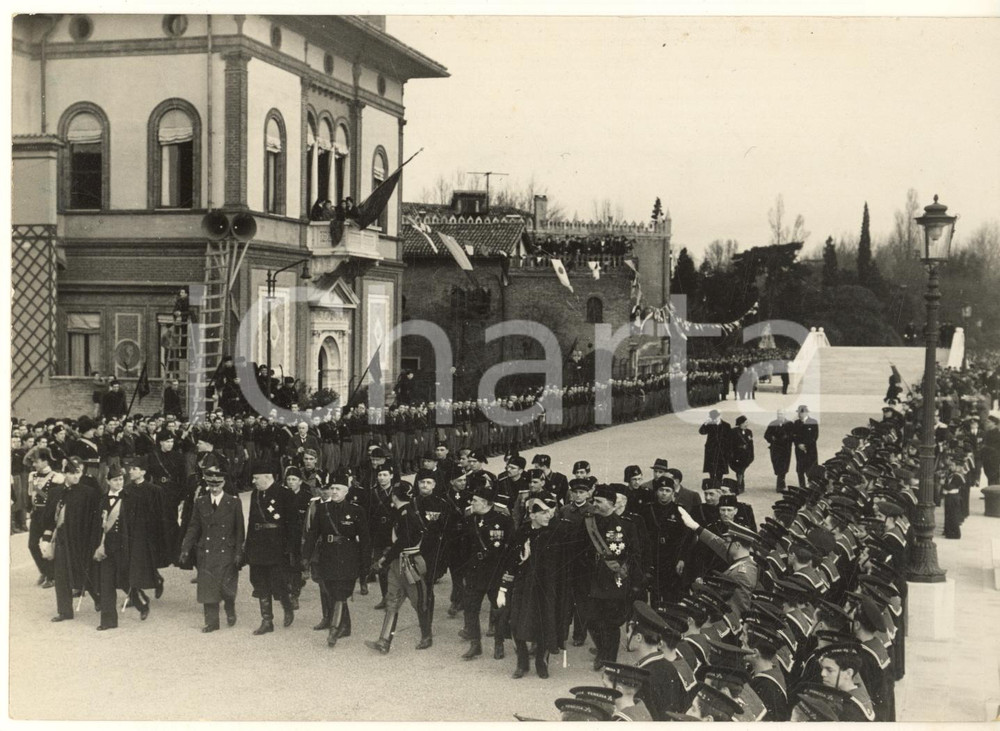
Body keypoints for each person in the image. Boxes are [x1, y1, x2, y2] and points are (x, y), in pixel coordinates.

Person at [498, 494, 570, 679]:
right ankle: (522, 662)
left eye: (549, 512)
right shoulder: (521, 533)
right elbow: (510, 561)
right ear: (532, 515)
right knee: (516, 623)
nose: (548, 516)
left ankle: (541, 661)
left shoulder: (556, 533)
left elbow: (562, 565)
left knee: (544, 623)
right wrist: (504, 586)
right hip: (522, 586)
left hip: (546, 587)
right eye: (544, 512)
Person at [576, 484, 642, 670]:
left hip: (615, 580)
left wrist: (632, 579)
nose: (594, 504)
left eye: (598, 501)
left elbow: (635, 554)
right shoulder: (588, 523)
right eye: (593, 500)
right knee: (590, 620)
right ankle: (602, 650)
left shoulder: (626, 526)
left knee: (611, 623)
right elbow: (579, 551)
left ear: (611, 503)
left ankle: (609, 660)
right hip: (592, 580)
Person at [302, 470, 370, 647]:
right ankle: (345, 626)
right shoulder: (323, 509)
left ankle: (335, 629)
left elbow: (365, 539)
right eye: (332, 488)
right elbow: (313, 534)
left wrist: (365, 563)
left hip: (348, 556)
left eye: (338, 488)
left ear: (346, 491)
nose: (334, 492)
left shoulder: (356, 510)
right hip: (328, 555)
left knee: (340, 591)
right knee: (332, 590)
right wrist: (306, 556)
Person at [365, 480, 433, 653]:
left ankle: (426, 635)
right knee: (392, 600)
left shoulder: (406, 515)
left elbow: (401, 543)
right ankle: (384, 641)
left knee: (418, 601)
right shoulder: (404, 512)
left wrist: (384, 560)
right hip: (400, 563)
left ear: (394, 496)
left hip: (410, 563)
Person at [179, 465, 244, 632]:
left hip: (226, 551)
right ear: (207, 484)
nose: (214, 488)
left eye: (218, 484)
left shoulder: (234, 502)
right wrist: (185, 548)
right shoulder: (201, 502)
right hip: (206, 551)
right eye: (211, 485)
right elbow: (193, 527)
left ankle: (230, 606)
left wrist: (238, 553)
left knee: (226, 587)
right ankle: (212, 622)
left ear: (223, 484)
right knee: (208, 587)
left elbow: (239, 531)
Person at [459, 480, 514, 661]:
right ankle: (475, 644)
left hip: (495, 572)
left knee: (498, 609)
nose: (472, 503)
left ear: (486, 503)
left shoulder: (503, 520)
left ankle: (499, 643)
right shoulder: (469, 520)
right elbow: (463, 548)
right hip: (475, 572)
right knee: (471, 608)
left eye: (475, 500)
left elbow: (510, 547)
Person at [42, 457, 102, 622]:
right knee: (61, 575)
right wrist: (46, 539)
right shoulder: (55, 492)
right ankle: (65, 611)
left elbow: (94, 520)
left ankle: (99, 598)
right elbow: (48, 518)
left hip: (81, 539)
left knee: (83, 570)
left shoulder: (88, 493)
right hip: (61, 539)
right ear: (65, 474)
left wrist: (94, 542)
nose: (77, 476)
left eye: (79, 473)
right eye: (73, 473)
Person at [243, 460, 296, 635]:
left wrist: (290, 548)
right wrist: (248, 546)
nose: (253, 482)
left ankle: (287, 607)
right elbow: (251, 522)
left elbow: (293, 523)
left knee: (278, 583)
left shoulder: (284, 494)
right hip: (258, 545)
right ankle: (267, 621)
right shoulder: (255, 495)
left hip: (277, 545)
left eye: (256, 478)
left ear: (267, 477)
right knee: (260, 583)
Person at [27, 448, 63, 588]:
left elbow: (57, 498)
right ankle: (45, 571)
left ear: (45, 461)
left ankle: (51, 576)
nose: (34, 464)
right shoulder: (33, 476)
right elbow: (31, 495)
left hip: (48, 515)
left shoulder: (56, 477)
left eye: (36, 461)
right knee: (32, 545)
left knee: (47, 546)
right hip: (36, 514)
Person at [764, 410, 793, 492]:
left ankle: (780, 485)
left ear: (785, 415)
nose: (780, 416)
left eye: (781, 414)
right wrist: (771, 438)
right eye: (778, 414)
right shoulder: (773, 423)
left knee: (784, 466)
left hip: (785, 449)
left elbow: (793, 435)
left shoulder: (789, 424)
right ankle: (781, 484)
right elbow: (766, 435)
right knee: (777, 465)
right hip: (775, 449)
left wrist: (787, 437)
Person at [790, 405, 819, 489]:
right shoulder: (796, 423)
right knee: (800, 470)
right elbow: (793, 436)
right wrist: (798, 444)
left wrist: (805, 445)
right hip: (799, 451)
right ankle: (802, 487)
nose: (799, 414)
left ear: (806, 413)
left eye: (801, 412)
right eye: (798, 412)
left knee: (811, 469)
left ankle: (811, 487)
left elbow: (814, 437)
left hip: (811, 451)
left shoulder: (813, 422)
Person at [699, 409, 730, 483]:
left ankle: (719, 481)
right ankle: (712, 480)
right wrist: (705, 423)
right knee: (711, 467)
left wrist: (728, 449)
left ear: (719, 416)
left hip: (722, 449)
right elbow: (702, 432)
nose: (714, 419)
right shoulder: (709, 424)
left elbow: (729, 438)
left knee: (721, 467)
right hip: (711, 448)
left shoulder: (726, 425)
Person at [727, 415, 755, 494]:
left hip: (746, 456)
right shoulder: (733, 432)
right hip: (736, 456)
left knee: (741, 471)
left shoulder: (749, 432)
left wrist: (752, 455)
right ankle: (740, 486)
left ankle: (740, 485)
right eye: (745, 423)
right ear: (740, 423)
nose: (746, 424)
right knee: (739, 471)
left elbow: (751, 445)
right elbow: (730, 444)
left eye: (747, 422)